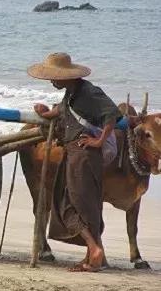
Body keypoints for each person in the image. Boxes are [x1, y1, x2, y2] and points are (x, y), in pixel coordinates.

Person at [29, 52, 122, 272]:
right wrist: (45, 112)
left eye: (55, 77)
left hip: (84, 156)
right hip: (74, 155)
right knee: (81, 203)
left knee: (73, 204)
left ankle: (94, 249)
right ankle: (92, 257)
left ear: (66, 75)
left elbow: (112, 114)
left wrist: (99, 141)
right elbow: (62, 112)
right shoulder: (72, 92)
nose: (52, 81)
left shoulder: (89, 92)